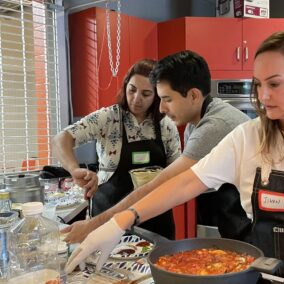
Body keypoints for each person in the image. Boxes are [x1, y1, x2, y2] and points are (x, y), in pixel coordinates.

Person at [65, 30, 284, 283]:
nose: (263, 97)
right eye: (258, 85)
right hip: (267, 278)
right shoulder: (247, 137)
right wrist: (122, 219)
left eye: (275, 84)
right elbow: (184, 183)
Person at [60, 50, 250, 244]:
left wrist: (95, 225)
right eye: (132, 90)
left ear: (193, 95)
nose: (161, 108)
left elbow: (166, 183)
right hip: (235, 216)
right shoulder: (195, 122)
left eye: (166, 99)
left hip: (252, 220)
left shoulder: (212, 125)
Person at [52, 59, 181, 239]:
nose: (136, 99)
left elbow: (177, 174)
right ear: (125, 86)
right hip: (108, 217)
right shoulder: (108, 118)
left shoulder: (166, 125)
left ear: (157, 96)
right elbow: (61, 139)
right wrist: (74, 169)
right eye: (132, 90)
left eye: (146, 94)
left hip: (155, 218)